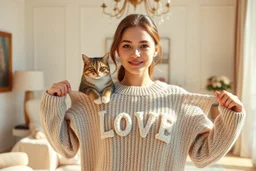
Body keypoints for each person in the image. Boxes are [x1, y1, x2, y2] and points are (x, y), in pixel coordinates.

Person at [40, 14, 245, 171]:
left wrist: (232, 116)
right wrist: (52, 103)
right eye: (127, 45)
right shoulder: (93, 99)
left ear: (156, 49)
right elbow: (65, 148)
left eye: (144, 46)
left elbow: (204, 156)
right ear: (117, 52)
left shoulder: (177, 100)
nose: (135, 53)